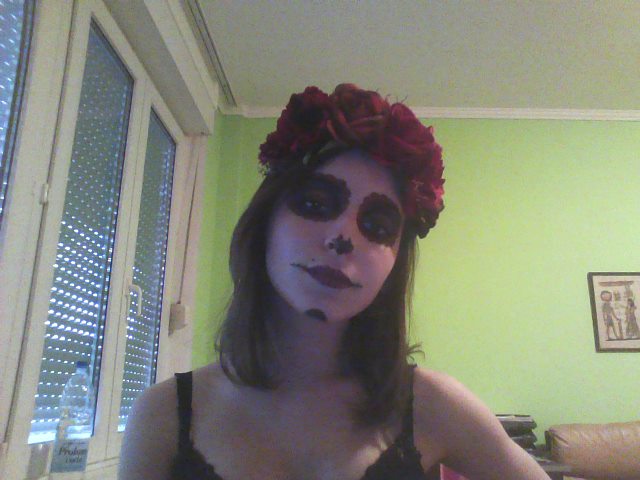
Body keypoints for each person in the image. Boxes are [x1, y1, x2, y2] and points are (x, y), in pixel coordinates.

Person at [119, 84, 548, 479]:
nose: (342, 238)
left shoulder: (434, 405)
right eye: (314, 203)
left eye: (377, 226)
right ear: (266, 223)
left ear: (395, 263)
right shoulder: (164, 415)